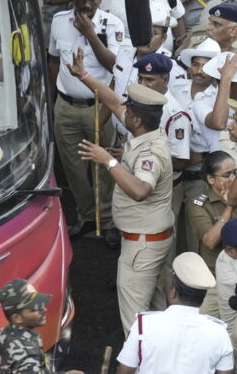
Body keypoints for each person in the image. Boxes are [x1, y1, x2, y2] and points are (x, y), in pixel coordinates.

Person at [74, 78, 174, 331]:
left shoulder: (150, 154)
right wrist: (83, 75)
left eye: (127, 112)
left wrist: (109, 162)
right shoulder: (150, 131)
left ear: (136, 120)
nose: (122, 112)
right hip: (154, 238)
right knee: (159, 309)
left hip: (143, 246)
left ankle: (139, 365)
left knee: (135, 322)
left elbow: (141, 190)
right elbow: (112, 100)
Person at [47, 0, 131, 240]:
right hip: (66, 106)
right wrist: (53, 97)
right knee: (73, 167)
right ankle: (85, 215)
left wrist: (92, 35)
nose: (86, 4)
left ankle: (106, 222)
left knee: (104, 168)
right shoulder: (59, 21)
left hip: (100, 108)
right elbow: (53, 60)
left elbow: (114, 65)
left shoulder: (113, 23)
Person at [115, 253, 234, 374]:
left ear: (173, 292)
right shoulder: (219, 333)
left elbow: (124, 371)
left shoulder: (143, 325)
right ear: (202, 298)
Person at [0, 278, 84, 374]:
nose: (43, 309)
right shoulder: (28, 355)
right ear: (17, 318)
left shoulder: (5, 332)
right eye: (33, 309)